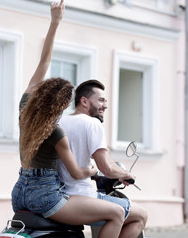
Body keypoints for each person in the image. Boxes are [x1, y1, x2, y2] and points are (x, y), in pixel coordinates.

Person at [11, 0, 126, 237]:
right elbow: (76, 173)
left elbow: (44, 62)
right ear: (61, 106)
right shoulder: (56, 132)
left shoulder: (25, 110)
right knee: (116, 213)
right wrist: (93, 171)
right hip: (45, 197)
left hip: (19, 192)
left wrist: (55, 22)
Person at [58, 79, 148, 238]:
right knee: (141, 215)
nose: (105, 105)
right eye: (100, 100)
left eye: (106, 101)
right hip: (82, 196)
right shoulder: (92, 123)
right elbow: (105, 167)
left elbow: (93, 161)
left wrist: (116, 171)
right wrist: (126, 174)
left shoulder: (60, 121)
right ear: (84, 101)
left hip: (59, 196)